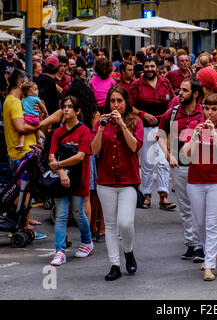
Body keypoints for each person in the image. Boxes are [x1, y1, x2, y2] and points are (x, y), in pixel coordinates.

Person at [91, 86, 144, 281]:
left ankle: (128, 251)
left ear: (126, 102)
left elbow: (134, 146)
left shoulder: (135, 122)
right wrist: (101, 128)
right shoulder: (101, 123)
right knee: (111, 225)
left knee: (126, 222)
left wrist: (122, 124)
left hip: (128, 181)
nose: (115, 105)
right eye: (112, 101)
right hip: (105, 181)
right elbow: (94, 150)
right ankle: (115, 264)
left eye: (119, 101)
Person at [181, 93, 217, 281]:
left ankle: (209, 265)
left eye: (214, 109)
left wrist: (213, 134)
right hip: (195, 180)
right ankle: (209, 253)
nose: (209, 113)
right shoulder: (193, 127)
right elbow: (184, 156)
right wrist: (195, 136)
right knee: (200, 224)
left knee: (212, 224)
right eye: (207, 108)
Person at [157, 78, 204, 262]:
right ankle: (191, 244)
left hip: (199, 167)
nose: (180, 93)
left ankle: (201, 245)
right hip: (179, 166)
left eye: (184, 90)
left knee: (198, 207)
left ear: (195, 94)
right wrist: (168, 154)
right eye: (180, 90)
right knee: (185, 207)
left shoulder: (203, 113)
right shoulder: (173, 113)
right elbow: (160, 134)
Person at [48, 95, 93, 266]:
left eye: (69, 106)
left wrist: (58, 164)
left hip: (79, 177)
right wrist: (60, 172)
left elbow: (80, 156)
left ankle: (87, 241)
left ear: (77, 111)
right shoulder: (57, 132)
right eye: (64, 106)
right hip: (61, 179)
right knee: (61, 214)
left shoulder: (84, 131)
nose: (66, 109)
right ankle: (60, 250)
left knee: (77, 212)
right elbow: (51, 156)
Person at [2, 69, 46, 239]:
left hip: (23, 152)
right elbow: (20, 127)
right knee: (23, 192)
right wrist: (40, 124)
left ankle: (23, 222)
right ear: (20, 84)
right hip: (21, 153)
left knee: (24, 192)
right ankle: (22, 226)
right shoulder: (13, 102)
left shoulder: (15, 101)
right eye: (26, 84)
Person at [129, 56, 176, 210]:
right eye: (147, 66)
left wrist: (168, 117)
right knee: (148, 163)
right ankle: (147, 195)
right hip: (145, 127)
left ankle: (164, 196)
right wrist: (143, 115)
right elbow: (130, 106)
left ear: (157, 67)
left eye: (152, 66)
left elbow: (173, 102)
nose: (149, 69)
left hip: (163, 126)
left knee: (163, 161)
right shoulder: (136, 85)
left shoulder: (165, 82)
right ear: (143, 68)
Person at [16, 82, 46, 150]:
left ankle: (21, 143)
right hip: (35, 119)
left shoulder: (22, 100)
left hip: (27, 118)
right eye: (35, 89)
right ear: (29, 92)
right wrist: (46, 113)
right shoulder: (36, 99)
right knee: (37, 129)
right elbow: (43, 107)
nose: (38, 91)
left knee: (22, 132)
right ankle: (38, 141)